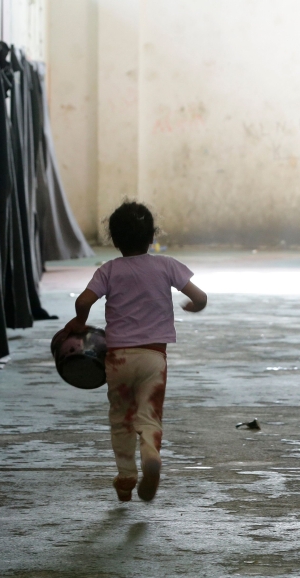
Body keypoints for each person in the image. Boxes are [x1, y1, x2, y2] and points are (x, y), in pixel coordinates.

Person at [58, 201, 208, 502]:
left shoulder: (109, 270)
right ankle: (150, 453)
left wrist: (80, 321)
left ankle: (126, 474)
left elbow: (84, 301)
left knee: (121, 416)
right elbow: (200, 297)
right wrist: (193, 306)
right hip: (154, 357)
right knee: (149, 414)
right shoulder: (167, 266)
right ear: (152, 236)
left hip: (117, 358)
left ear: (114, 239)